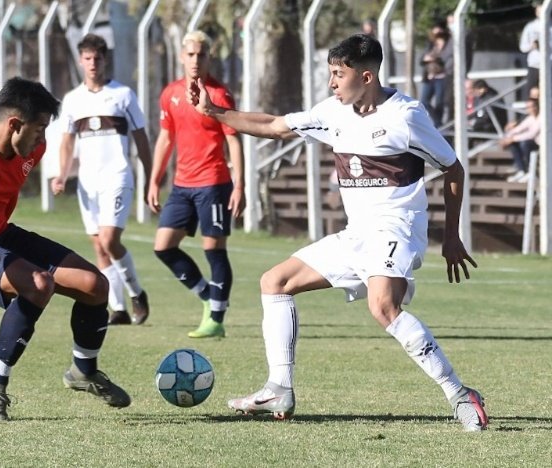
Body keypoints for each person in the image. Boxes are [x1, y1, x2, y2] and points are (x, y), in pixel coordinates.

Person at [187, 34, 488, 431]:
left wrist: (451, 238)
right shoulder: (333, 111)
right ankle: (279, 387)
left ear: (366, 76)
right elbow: (275, 126)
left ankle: (459, 394)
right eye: (330, 73)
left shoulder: (406, 116)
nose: (331, 82)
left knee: (382, 306)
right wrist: (214, 111)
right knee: (274, 282)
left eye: (337, 74)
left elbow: (453, 169)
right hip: (357, 234)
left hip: (396, 227)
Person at [0, 77, 130, 422]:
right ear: (15, 125)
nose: (43, 138)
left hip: (0, 234)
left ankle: (83, 371)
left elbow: (6, 193)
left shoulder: (32, 149)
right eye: (39, 128)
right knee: (37, 284)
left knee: (96, 286)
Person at [147, 30, 245, 339]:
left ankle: (216, 318)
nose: (195, 60)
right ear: (181, 56)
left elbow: (234, 140)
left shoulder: (219, 95)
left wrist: (240, 185)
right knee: (163, 247)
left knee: (213, 248)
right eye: (190, 54)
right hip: (181, 185)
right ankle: (207, 295)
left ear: (208, 57)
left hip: (213, 183)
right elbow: (166, 138)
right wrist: (154, 179)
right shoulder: (171, 93)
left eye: (201, 54)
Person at [52, 33, 152, 326]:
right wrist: (61, 174)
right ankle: (118, 309)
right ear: (81, 61)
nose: (93, 63)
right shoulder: (72, 100)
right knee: (98, 246)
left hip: (117, 176)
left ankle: (136, 293)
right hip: (88, 182)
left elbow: (142, 137)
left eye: (97, 58)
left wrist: (151, 177)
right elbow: (67, 142)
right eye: (87, 58)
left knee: (110, 240)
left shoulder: (123, 95)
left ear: (105, 59)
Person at [420, 22, 453, 127]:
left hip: (442, 77)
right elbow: (421, 59)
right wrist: (426, 58)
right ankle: (438, 122)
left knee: (440, 103)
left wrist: (436, 59)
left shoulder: (448, 44)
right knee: (424, 101)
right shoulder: (430, 45)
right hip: (429, 77)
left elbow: (447, 59)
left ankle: (439, 125)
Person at [500, 98, 540, 183]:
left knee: (524, 143)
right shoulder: (530, 118)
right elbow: (519, 128)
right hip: (532, 143)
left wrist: (513, 139)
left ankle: (531, 171)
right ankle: (522, 170)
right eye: (528, 107)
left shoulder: (542, 117)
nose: (531, 109)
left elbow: (532, 134)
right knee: (513, 144)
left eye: (533, 106)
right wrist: (507, 137)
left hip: (540, 144)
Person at [519, 2, 541, 99]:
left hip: (549, 64)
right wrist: (532, 46)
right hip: (535, 65)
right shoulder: (530, 27)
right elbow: (523, 47)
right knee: (533, 95)